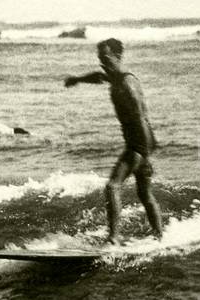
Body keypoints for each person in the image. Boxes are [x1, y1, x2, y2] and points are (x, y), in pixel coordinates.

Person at [64, 38, 163, 242]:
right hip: (138, 144)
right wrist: (77, 79)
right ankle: (160, 236)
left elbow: (141, 117)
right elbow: (98, 76)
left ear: (117, 56)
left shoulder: (127, 83)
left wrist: (144, 152)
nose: (102, 62)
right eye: (100, 58)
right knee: (144, 194)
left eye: (105, 58)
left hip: (139, 143)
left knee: (112, 186)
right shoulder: (116, 78)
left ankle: (114, 237)